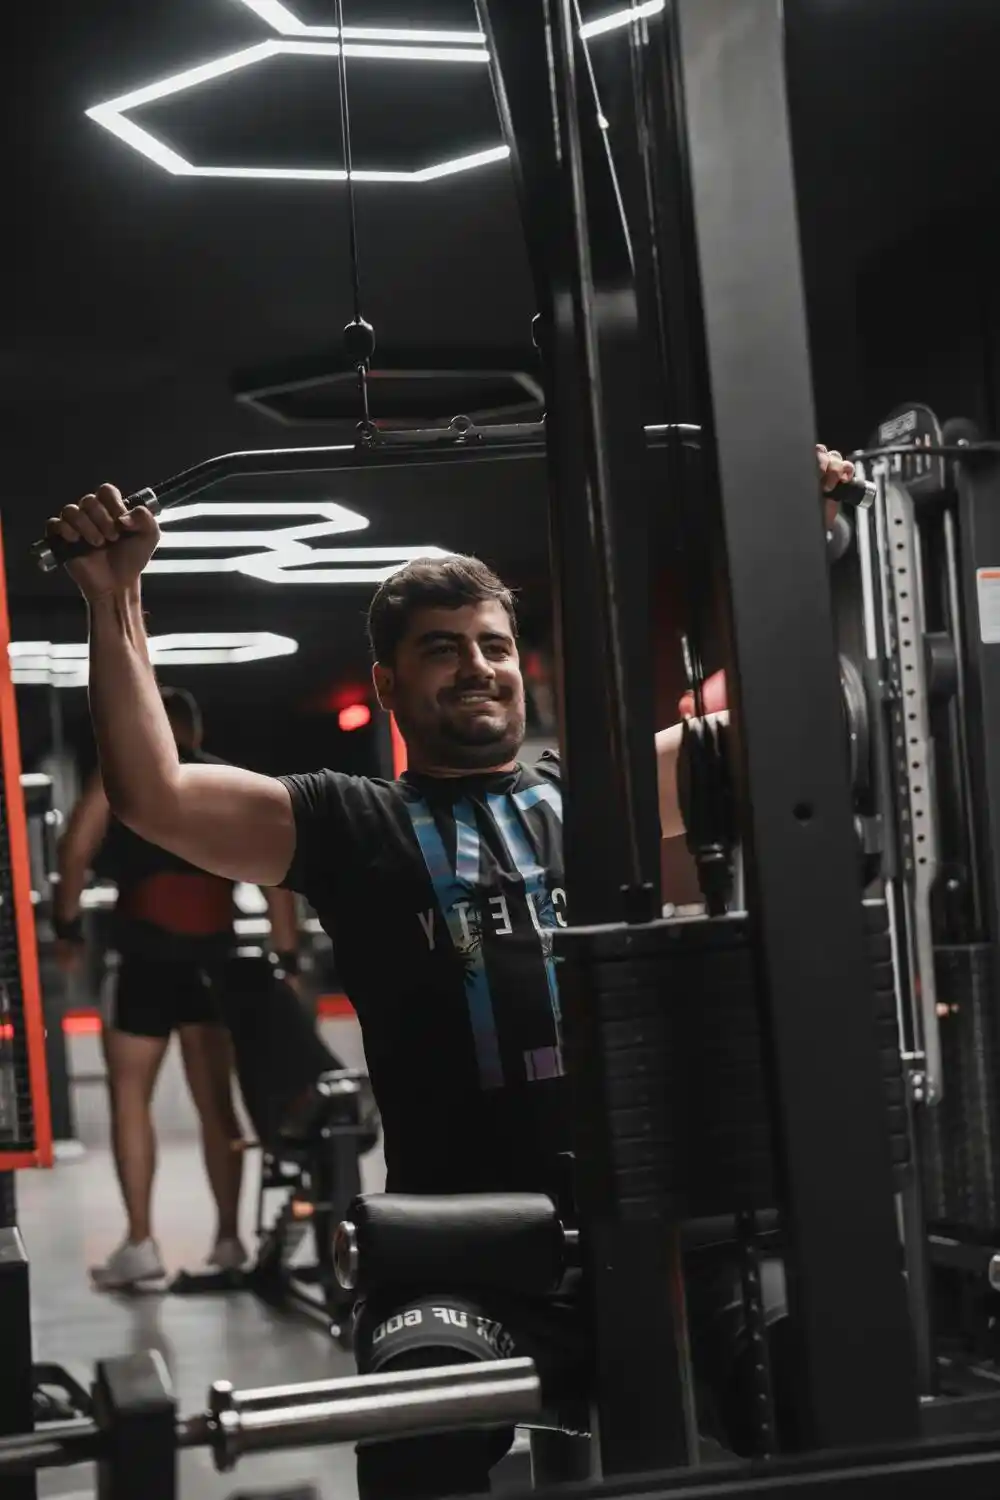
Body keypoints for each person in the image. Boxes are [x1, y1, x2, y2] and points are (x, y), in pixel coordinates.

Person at [47, 444, 854, 1485]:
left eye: (492, 646)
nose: (477, 666)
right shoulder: (350, 822)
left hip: (652, 1218)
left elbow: (790, 731)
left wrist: (807, 537)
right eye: (442, 650)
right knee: (415, 1452)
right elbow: (155, 794)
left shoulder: (596, 796)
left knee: (811, 1392)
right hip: (457, 1238)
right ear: (389, 682)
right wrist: (115, 598)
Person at [54, 685, 303, 1290]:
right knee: (217, 1103)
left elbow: (76, 849)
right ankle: (227, 1240)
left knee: (130, 1100)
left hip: (143, 955)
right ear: (196, 727)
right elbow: (278, 877)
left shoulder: (122, 781)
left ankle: (141, 1243)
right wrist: (287, 957)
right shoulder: (224, 782)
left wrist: (66, 929)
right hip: (213, 957)